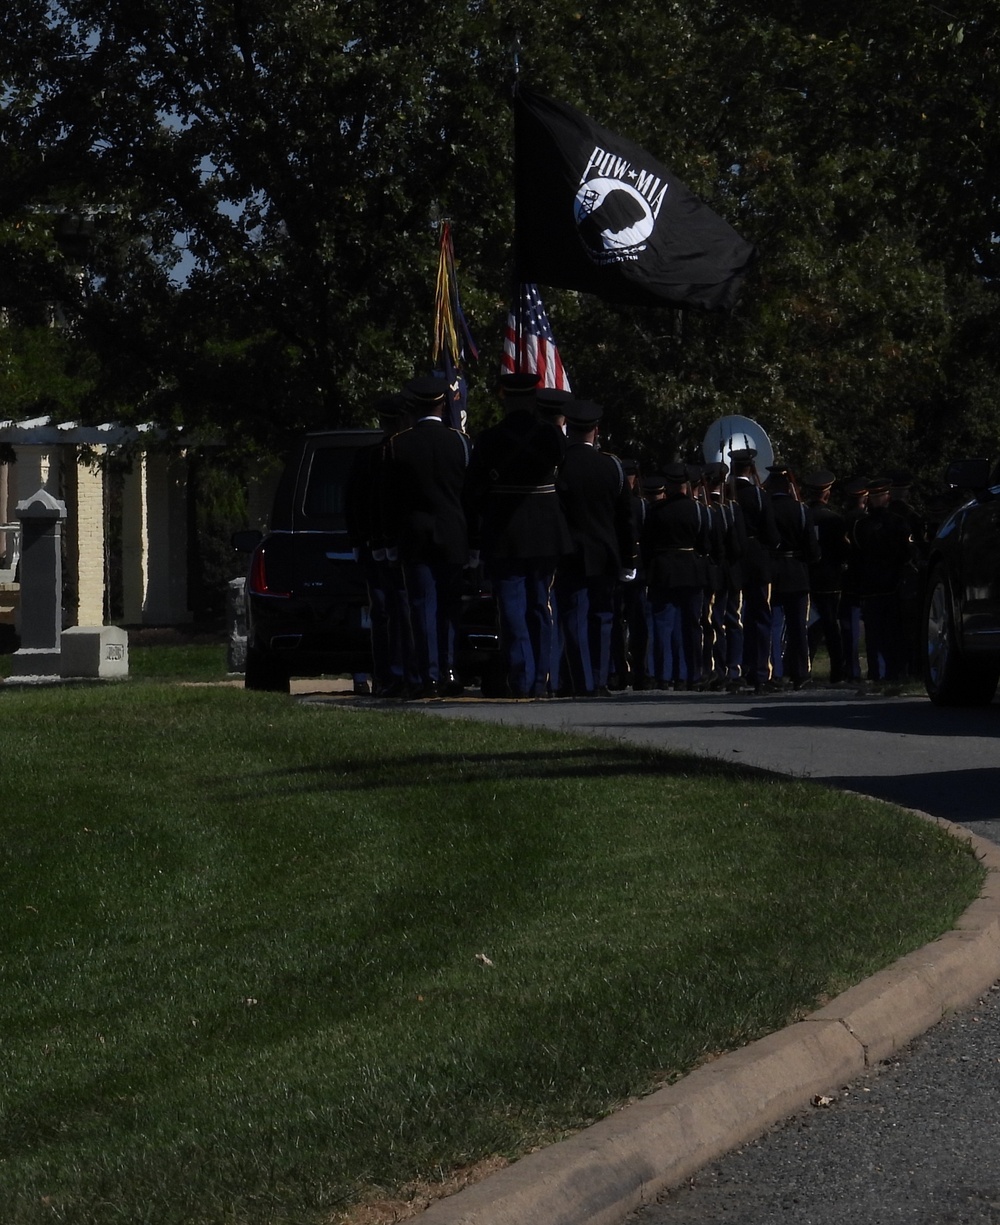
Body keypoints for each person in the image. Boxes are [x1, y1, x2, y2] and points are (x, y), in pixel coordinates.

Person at [464, 374, 572, 698]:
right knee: (540, 605)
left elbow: (471, 493)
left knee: (511, 607)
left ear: (506, 399)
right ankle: (541, 679)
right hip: (545, 534)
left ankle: (521, 677)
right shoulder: (553, 438)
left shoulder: (488, 440)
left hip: (505, 533)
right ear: (533, 401)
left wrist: (476, 536)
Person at [383, 376, 472, 698]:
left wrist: (389, 542)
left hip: (415, 535)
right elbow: (469, 497)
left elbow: (390, 501)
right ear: (443, 404)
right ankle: (449, 670)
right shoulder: (460, 442)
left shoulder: (398, 444)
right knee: (449, 605)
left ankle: (428, 674)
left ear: (414, 407)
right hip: (453, 534)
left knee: (422, 605)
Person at [554, 401, 638, 696]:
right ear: (596, 431)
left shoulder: (559, 465)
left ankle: (581, 680)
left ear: (569, 429)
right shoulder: (612, 466)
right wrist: (629, 559)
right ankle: (599, 679)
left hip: (570, 551)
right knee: (602, 617)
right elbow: (625, 517)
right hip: (605, 552)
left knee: (574, 617)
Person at [344, 392, 416, 697]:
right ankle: (388, 675)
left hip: (404, 545)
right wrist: (361, 541)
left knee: (401, 610)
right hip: (377, 546)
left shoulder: (408, 454)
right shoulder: (369, 457)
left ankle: (404, 673)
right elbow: (356, 504)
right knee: (385, 611)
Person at [643, 462, 712, 690]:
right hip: (691, 571)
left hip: (663, 571)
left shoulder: (655, 510)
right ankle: (691, 675)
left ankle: (665, 675)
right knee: (690, 625)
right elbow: (704, 544)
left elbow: (647, 544)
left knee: (663, 625)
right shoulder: (699, 510)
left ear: (669, 485)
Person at [849, 474, 913, 686]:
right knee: (894, 631)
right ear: (887, 497)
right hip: (892, 583)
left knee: (874, 633)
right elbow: (906, 554)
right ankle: (895, 671)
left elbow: (857, 556)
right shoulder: (898, 523)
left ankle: (877, 672)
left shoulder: (861, 526)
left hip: (869, 585)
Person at [766, 464, 820, 690]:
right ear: (788, 487)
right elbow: (812, 548)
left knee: (775, 626)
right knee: (799, 627)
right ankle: (801, 673)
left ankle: (776, 673)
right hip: (797, 572)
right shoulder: (800, 510)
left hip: (773, 571)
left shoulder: (766, 509)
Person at [729, 448, 779, 692]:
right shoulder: (758, 496)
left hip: (733, 561)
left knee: (736, 616)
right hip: (757, 560)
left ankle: (737, 669)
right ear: (751, 468)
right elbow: (771, 533)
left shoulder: (726, 495)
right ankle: (760, 672)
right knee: (760, 616)